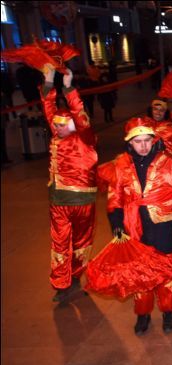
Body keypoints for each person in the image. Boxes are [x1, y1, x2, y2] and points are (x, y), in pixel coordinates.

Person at [107, 117, 172, 335]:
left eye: (147, 140)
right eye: (138, 141)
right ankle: (143, 313)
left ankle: (168, 311)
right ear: (130, 143)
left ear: (154, 140)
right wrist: (116, 221)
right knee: (140, 275)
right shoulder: (120, 166)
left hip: (165, 225)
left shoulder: (170, 162)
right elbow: (115, 197)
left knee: (167, 272)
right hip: (135, 227)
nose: (143, 146)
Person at [41, 65, 98, 302]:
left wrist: (68, 88)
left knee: (82, 242)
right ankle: (61, 283)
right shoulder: (56, 135)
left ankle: (75, 275)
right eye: (55, 124)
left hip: (83, 199)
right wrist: (48, 83)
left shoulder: (84, 136)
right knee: (60, 243)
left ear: (73, 124)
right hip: (58, 201)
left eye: (62, 124)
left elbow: (80, 115)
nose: (57, 127)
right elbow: (48, 109)